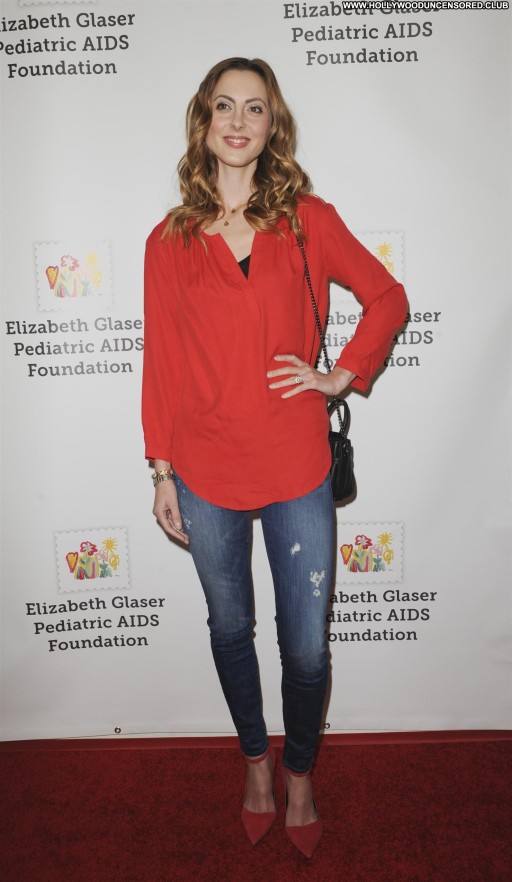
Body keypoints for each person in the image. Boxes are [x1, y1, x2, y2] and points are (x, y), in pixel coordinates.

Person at [142, 57, 407, 858]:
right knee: (231, 628)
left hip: (296, 461)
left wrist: (340, 374)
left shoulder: (307, 221)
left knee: (306, 647)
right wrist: (161, 470)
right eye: (223, 106)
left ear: (272, 126)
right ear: (203, 122)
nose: (237, 121)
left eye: (253, 108)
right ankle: (256, 763)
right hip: (205, 468)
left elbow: (387, 298)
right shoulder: (170, 240)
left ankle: (299, 773)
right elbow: (162, 363)